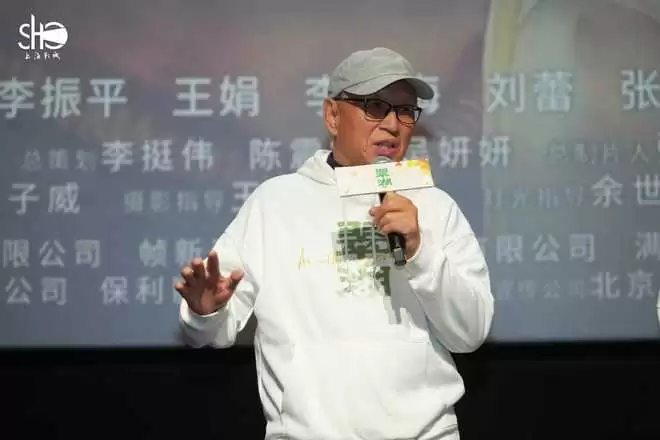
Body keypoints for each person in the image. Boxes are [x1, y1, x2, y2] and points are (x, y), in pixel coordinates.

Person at [176, 47, 494, 440]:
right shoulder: (275, 203)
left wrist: (420, 253)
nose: (393, 125)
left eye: (405, 111)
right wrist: (205, 312)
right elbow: (211, 332)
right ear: (332, 115)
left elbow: (471, 331)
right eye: (375, 107)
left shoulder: (434, 206)